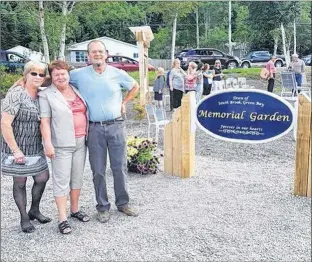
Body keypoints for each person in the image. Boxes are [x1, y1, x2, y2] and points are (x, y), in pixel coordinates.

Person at [69, 40, 140, 223]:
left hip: (116, 126)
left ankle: (123, 203)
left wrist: (124, 103)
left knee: (119, 167)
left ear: (106, 54)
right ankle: (102, 207)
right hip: (93, 129)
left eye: (100, 51)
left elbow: (135, 86)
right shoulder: (78, 74)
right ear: (88, 55)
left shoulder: (117, 73)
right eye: (93, 52)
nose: (97, 54)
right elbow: (57, 76)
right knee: (98, 170)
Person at [39, 60, 89, 234]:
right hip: (61, 145)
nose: (60, 77)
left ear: (68, 74)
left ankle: (74, 210)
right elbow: (44, 121)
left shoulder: (75, 90)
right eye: (56, 74)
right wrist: (48, 144)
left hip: (81, 142)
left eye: (63, 73)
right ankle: (62, 218)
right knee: (61, 182)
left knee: (77, 178)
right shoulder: (46, 95)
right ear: (51, 77)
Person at [1, 61, 51, 233]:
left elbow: (61, 79)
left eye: (41, 74)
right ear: (26, 74)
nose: (37, 77)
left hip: (35, 145)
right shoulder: (16, 94)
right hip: (17, 145)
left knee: (42, 177)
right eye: (33, 73)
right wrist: (15, 150)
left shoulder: (42, 94)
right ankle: (24, 217)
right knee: (20, 181)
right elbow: (5, 123)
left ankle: (34, 210)